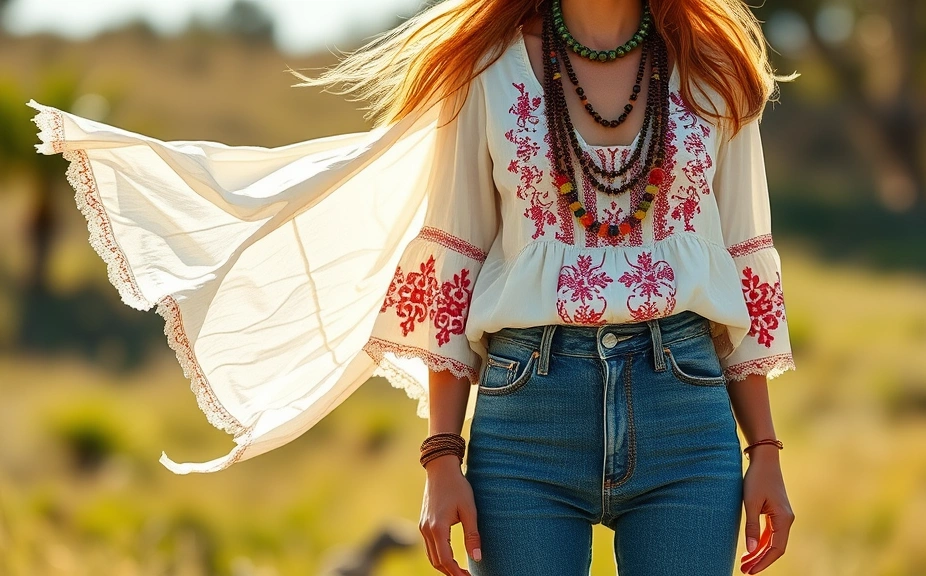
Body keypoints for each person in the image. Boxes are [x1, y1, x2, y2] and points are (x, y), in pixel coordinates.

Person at [28, 0, 796, 574]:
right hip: (527, 411)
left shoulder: (713, 69)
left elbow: (745, 259)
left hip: (683, 410)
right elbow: (453, 263)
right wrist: (441, 457)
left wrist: (764, 449)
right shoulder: (487, 70)